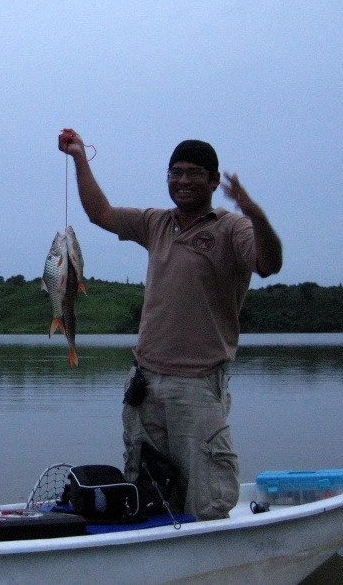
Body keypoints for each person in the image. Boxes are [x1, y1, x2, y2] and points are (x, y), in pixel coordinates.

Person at [58, 130, 282, 520]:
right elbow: (101, 214)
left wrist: (254, 212)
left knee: (207, 494)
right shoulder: (156, 224)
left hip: (197, 385)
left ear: (214, 181)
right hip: (144, 382)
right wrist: (79, 157)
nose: (182, 181)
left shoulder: (232, 228)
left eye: (193, 173)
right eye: (174, 173)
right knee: (147, 487)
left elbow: (269, 263)